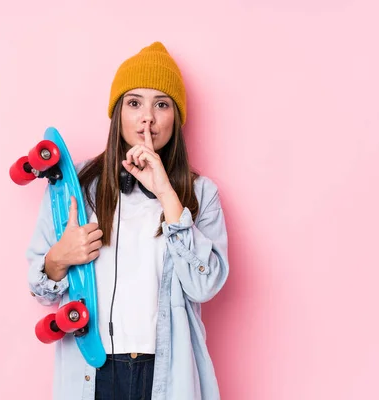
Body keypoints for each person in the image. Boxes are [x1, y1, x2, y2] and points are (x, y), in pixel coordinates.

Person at [26, 41, 230, 400]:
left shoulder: (201, 193)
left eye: (161, 105)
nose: (147, 117)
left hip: (165, 371)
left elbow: (205, 286)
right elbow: (40, 288)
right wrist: (59, 258)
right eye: (134, 103)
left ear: (175, 118)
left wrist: (166, 192)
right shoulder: (75, 187)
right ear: (118, 112)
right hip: (94, 369)